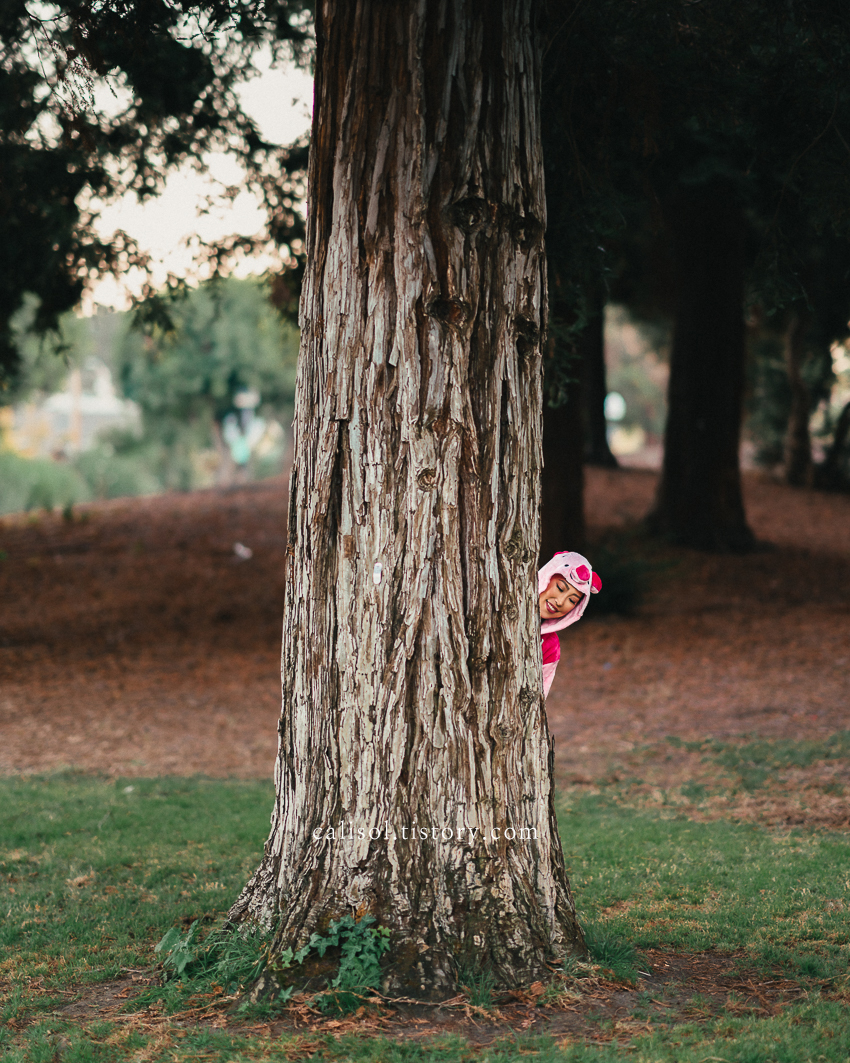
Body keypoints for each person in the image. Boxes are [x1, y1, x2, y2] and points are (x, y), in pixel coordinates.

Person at [538, 551, 601, 699]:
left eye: (572, 600)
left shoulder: (550, 646)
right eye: (560, 588)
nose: (560, 602)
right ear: (546, 576)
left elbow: (537, 697)